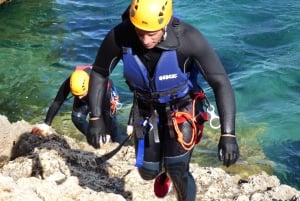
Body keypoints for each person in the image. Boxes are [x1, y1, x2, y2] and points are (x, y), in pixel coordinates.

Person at [86, 0, 239, 200]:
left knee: (177, 169)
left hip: (181, 110)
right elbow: (98, 73)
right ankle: (163, 173)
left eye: (152, 34)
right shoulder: (120, 36)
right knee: (147, 172)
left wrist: (228, 135)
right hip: (145, 109)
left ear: (165, 24)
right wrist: (95, 117)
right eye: (140, 33)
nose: (145, 40)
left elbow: (221, 82)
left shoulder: (188, 39)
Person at [32, 64, 121, 145]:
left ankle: (117, 143)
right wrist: (47, 123)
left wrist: (107, 133)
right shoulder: (72, 81)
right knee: (77, 117)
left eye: (82, 95)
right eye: (76, 95)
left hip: (103, 94)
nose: (79, 98)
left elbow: (107, 113)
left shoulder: (102, 88)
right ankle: (95, 138)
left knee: (111, 122)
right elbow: (57, 102)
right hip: (87, 90)